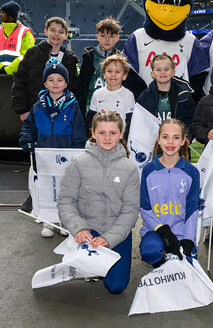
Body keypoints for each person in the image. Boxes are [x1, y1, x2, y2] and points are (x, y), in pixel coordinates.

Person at [57, 110, 140, 294]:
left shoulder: (130, 169)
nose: (107, 137)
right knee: (92, 267)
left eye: (112, 133)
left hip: (116, 233)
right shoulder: (77, 163)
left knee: (116, 287)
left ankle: (97, 266)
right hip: (88, 230)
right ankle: (88, 263)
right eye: (102, 132)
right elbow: (65, 200)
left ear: (121, 134)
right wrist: (79, 228)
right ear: (93, 134)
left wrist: (108, 239)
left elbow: (131, 210)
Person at [19, 63, 86, 237]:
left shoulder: (73, 106)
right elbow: (28, 128)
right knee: (46, 189)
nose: (55, 83)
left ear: (66, 84)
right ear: (45, 83)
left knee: (66, 190)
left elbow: (79, 132)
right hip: (44, 158)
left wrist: (79, 152)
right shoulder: (37, 107)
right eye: (51, 79)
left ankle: (64, 220)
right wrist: (26, 140)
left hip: (66, 157)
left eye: (60, 79)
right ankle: (49, 221)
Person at [138, 118, 200, 267]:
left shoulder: (192, 172)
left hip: (181, 232)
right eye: (165, 137)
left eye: (176, 137)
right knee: (150, 251)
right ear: (158, 140)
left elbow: (192, 210)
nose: (170, 142)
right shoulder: (148, 170)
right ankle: (160, 261)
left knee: (187, 268)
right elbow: (145, 209)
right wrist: (163, 232)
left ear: (184, 141)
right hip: (155, 231)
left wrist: (188, 240)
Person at [12, 16, 79, 122]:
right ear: (46, 32)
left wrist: (69, 110)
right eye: (53, 30)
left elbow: (73, 88)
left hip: (61, 114)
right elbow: (20, 81)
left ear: (66, 36)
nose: (56, 34)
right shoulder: (32, 53)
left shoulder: (70, 59)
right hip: (34, 111)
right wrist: (23, 109)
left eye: (61, 32)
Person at [136, 53, 196, 138]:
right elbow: (140, 122)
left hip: (177, 141)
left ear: (173, 72)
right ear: (152, 74)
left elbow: (191, 119)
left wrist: (186, 138)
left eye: (166, 69)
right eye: (158, 70)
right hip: (153, 142)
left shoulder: (184, 95)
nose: (162, 72)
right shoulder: (145, 97)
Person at [77, 17, 122, 117]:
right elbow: (82, 87)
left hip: (114, 109)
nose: (107, 39)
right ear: (97, 37)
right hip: (92, 109)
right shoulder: (89, 57)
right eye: (103, 35)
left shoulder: (121, 58)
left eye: (111, 36)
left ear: (117, 38)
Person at [86, 54, 135, 133]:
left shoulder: (128, 95)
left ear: (124, 76)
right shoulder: (97, 94)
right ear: (104, 75)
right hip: (100, 140)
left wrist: (124, 141)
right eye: (109, 71)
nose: (113, 74)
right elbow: (91, 120)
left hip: (120, 141)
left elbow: (130, 123)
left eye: (117, 72)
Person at [0, 1, 35, 74]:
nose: (0, 15)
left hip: (19, 78)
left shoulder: (25, 32)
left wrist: (7, 70)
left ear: (10, 16)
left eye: (3, 13)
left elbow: (26, 55)